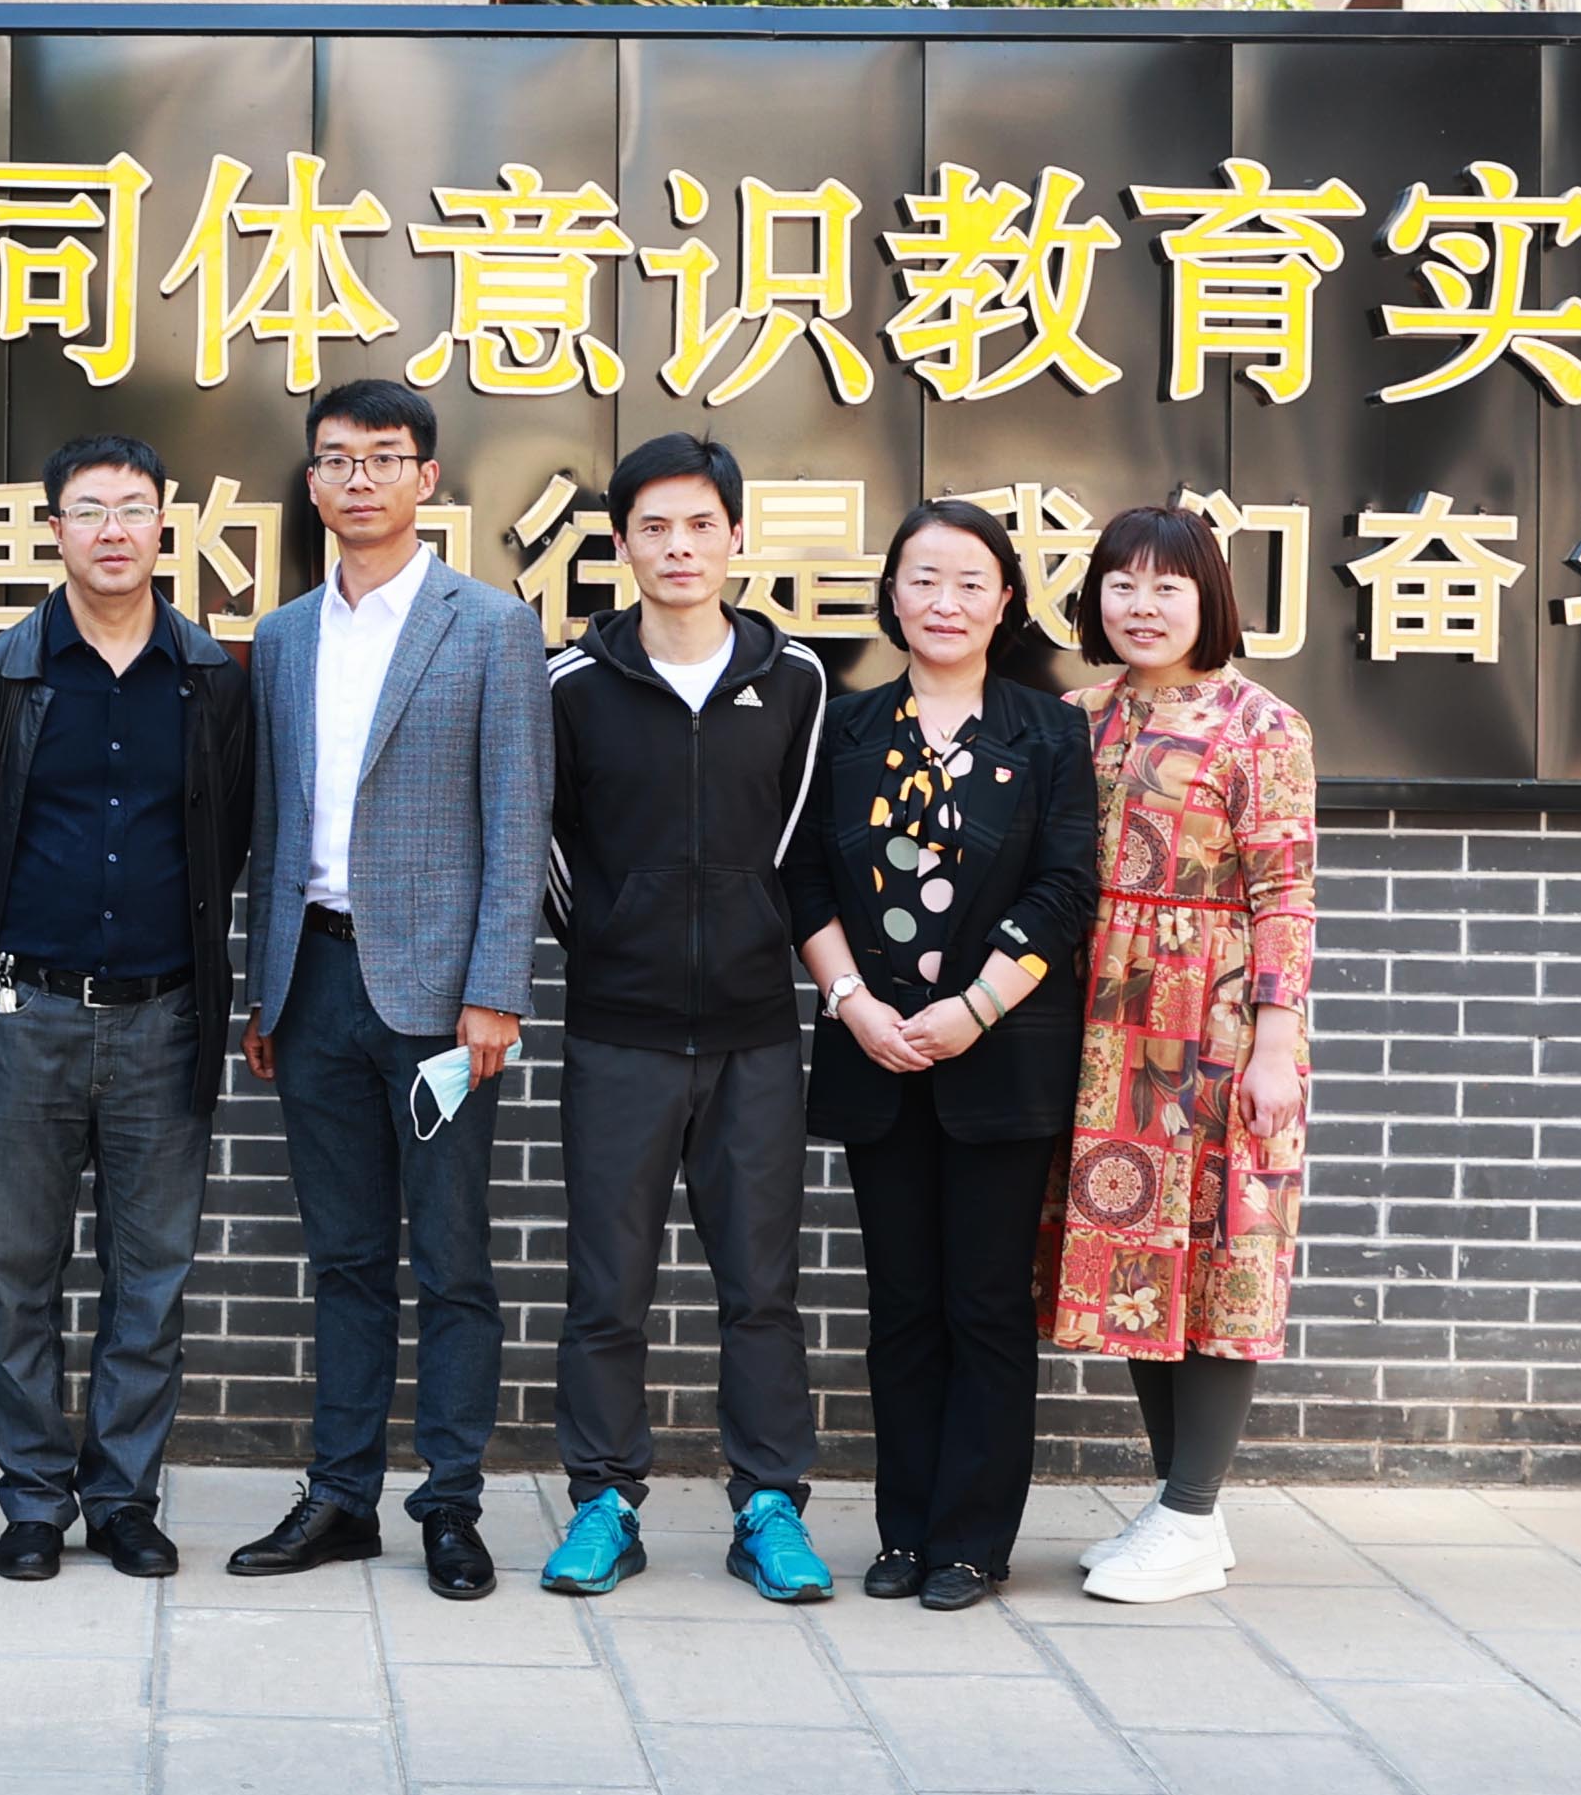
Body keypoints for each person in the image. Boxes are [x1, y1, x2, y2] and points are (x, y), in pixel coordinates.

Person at [228, 378, 553, 1603]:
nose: (356, 478)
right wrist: (262, 991)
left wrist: (494, 991)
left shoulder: (489, 626)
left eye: (381, 457)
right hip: (311, 982)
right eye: (334, 459)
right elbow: (271, 822)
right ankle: (340, 1495)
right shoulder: (282, 636)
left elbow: (516, 822)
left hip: (438, 1001)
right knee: (344, 1258)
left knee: (451, 1258)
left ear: (425, 476)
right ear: (310, 482)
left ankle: (450, 1503)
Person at [533, 434, 836, 1606]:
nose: (677, 547)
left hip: (755, 1033)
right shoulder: (570, 683)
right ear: (619, 543)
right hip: (618, 1030)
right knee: (606, 1284)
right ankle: (603, 1501)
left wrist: (763, 942)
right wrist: (610, 939)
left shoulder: (794, 679)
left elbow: (800, 847)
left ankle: (768, 1506)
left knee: (759, 1287)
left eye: (699, 525)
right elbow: (546, 842)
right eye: (652, 528)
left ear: (734, 537)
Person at [0, 434, 254, 1583]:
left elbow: (231, 837)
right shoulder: (0, 677)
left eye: (132, 508)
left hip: (163, 1018)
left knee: (150, 1277)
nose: (112, 530)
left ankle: (123, 1497)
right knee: (15, 1271)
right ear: (55, 530)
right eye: (89, 510)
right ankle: (33, 1498)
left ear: (163, 525)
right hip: (24, 1014)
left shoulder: (211, 679)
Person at [801, 498, 1096, 1612]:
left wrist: (974, 1007)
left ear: (1004, 600)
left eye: (970, 582)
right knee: (902, 1307)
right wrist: (850, 1004)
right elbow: (802, 882)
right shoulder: (842, 728)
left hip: (999, 1060)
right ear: (891, 594)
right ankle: (904, 1530)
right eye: (922, 579)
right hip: (875, 1056)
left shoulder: (1047, 732)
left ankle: (971, 1541)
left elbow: (1065, 888)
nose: (944, 602)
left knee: (983, 1304)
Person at [1050, 505, 1318, 1606]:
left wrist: (1275, 1044)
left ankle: (1191, 1509)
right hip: (1101, 1022)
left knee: (1214, 1253)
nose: (1141, 605)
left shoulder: (1262, 725)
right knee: (1133, 1257)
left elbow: (1285, 892)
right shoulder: (1077, 718)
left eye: (1167, 585)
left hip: (1213, 1027)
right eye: (1121, 583)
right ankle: (1181, 1509)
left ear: (1209, 598)